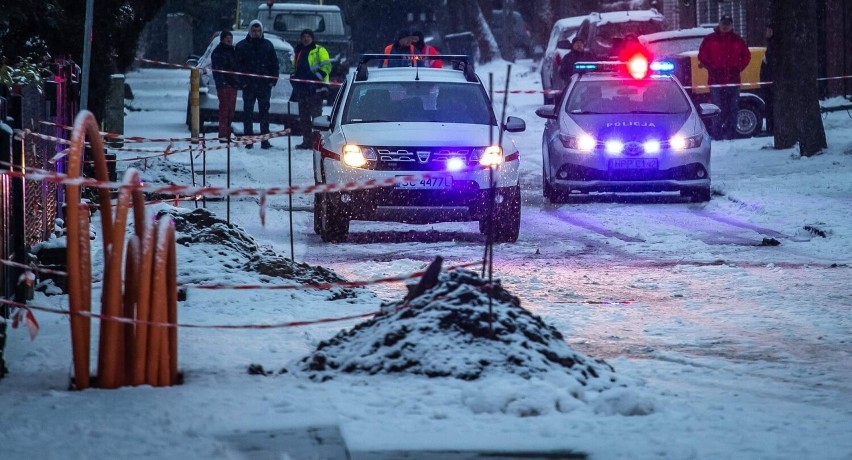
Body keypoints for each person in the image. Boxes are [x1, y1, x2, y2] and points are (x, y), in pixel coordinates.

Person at [698, 15, 751, 140]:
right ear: (720, 24)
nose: (725, 26)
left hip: (733, 81)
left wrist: (738, 67)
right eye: (724, 23)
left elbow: (746, 56)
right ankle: (717, 135)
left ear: (732, 25)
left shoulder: (738, 40)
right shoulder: (710, 39)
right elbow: (702, 55)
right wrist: (711, 67)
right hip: (715, 81)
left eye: (728, 24)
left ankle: (731, 134)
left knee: (733, 108)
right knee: (716, 108)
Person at [235, 19, 279, 149]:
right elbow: (237, 66)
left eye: (258, 30)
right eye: (254, 31)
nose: (256, 33)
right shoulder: (241, 46)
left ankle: (264, 140)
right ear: (249, 31)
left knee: (264, 113)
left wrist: (272, 81)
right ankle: (248, 140)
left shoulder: (268, 45)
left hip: (264, 86)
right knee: (247, 113)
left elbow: (274, 64)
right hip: (248, 86)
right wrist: (242, 83)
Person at [290, 28, 331, 149]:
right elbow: (294, 68)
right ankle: (307, 141)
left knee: (317, 118)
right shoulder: (298, 51)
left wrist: (315, 79)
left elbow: (327, 66)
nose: (306, 38)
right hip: (302, 90)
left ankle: (318, 143)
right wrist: (293, 78)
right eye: (304, 36)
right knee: (304, 118)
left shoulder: (320, 50)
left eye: (308, 36)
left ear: (312, 38)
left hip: (315, 89)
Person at [211, 30, 239, 142]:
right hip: (223, 85)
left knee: (231, 111)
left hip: (232, 84)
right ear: (222, 39)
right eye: (227, 39)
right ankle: (223, 134)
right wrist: (222, 83)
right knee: (224, 110)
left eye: (231, 40)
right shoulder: (218, 52)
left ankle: (227, 133)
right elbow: (217, 70)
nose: (229, 41)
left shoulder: (232, 51)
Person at [760, 24, 775, 134]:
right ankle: (771, 128)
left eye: (769, 30)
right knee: (769, 106)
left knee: (772, 107)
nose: (766, 32)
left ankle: (772, 128)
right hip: (768, 82)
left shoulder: (773, 46)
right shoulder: (769, 45)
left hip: (772, 82)